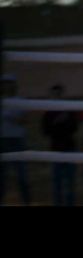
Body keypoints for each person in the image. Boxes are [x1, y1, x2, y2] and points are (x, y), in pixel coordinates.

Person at [41, 84, 79, 206]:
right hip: (56, 149)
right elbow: (45, 131)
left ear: (62, 95)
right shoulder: (48, 113)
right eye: (54, 94)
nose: (57, 96)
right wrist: (57, 121)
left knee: (70, 181)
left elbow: (75, 128)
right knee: (57, 182)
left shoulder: (69, 110)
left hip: (69, 148)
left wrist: (65, 121)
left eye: (59, 94)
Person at [1, 74, 32, 205]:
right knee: (2, 176)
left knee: (22, 175)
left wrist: (13, 118)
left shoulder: (20, 101)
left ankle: (26, 203)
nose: (7, 85)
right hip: (2, 141)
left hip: (18, 140)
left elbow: (26, 119)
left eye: (9, 82)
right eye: (5, 83)